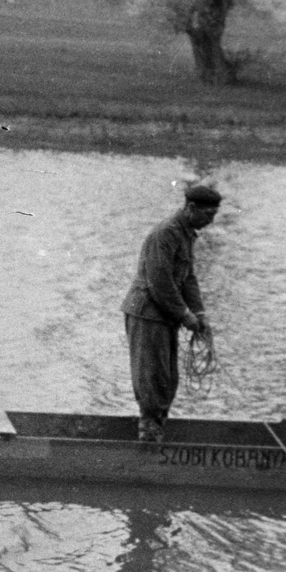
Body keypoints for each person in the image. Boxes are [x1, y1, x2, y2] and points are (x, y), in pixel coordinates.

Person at [121, 184, 221, 442]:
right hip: (147, 313)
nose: (210, 222)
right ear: (191, 208)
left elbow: (188, 279)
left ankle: (156, 427)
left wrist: (199, 314)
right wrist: (185, 315)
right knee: (152, 376)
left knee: (168, 378)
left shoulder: (186, 233)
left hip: (165, 315)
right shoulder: (165, 234)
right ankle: (149, 433)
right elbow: (160, 282)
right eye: (207, 216)